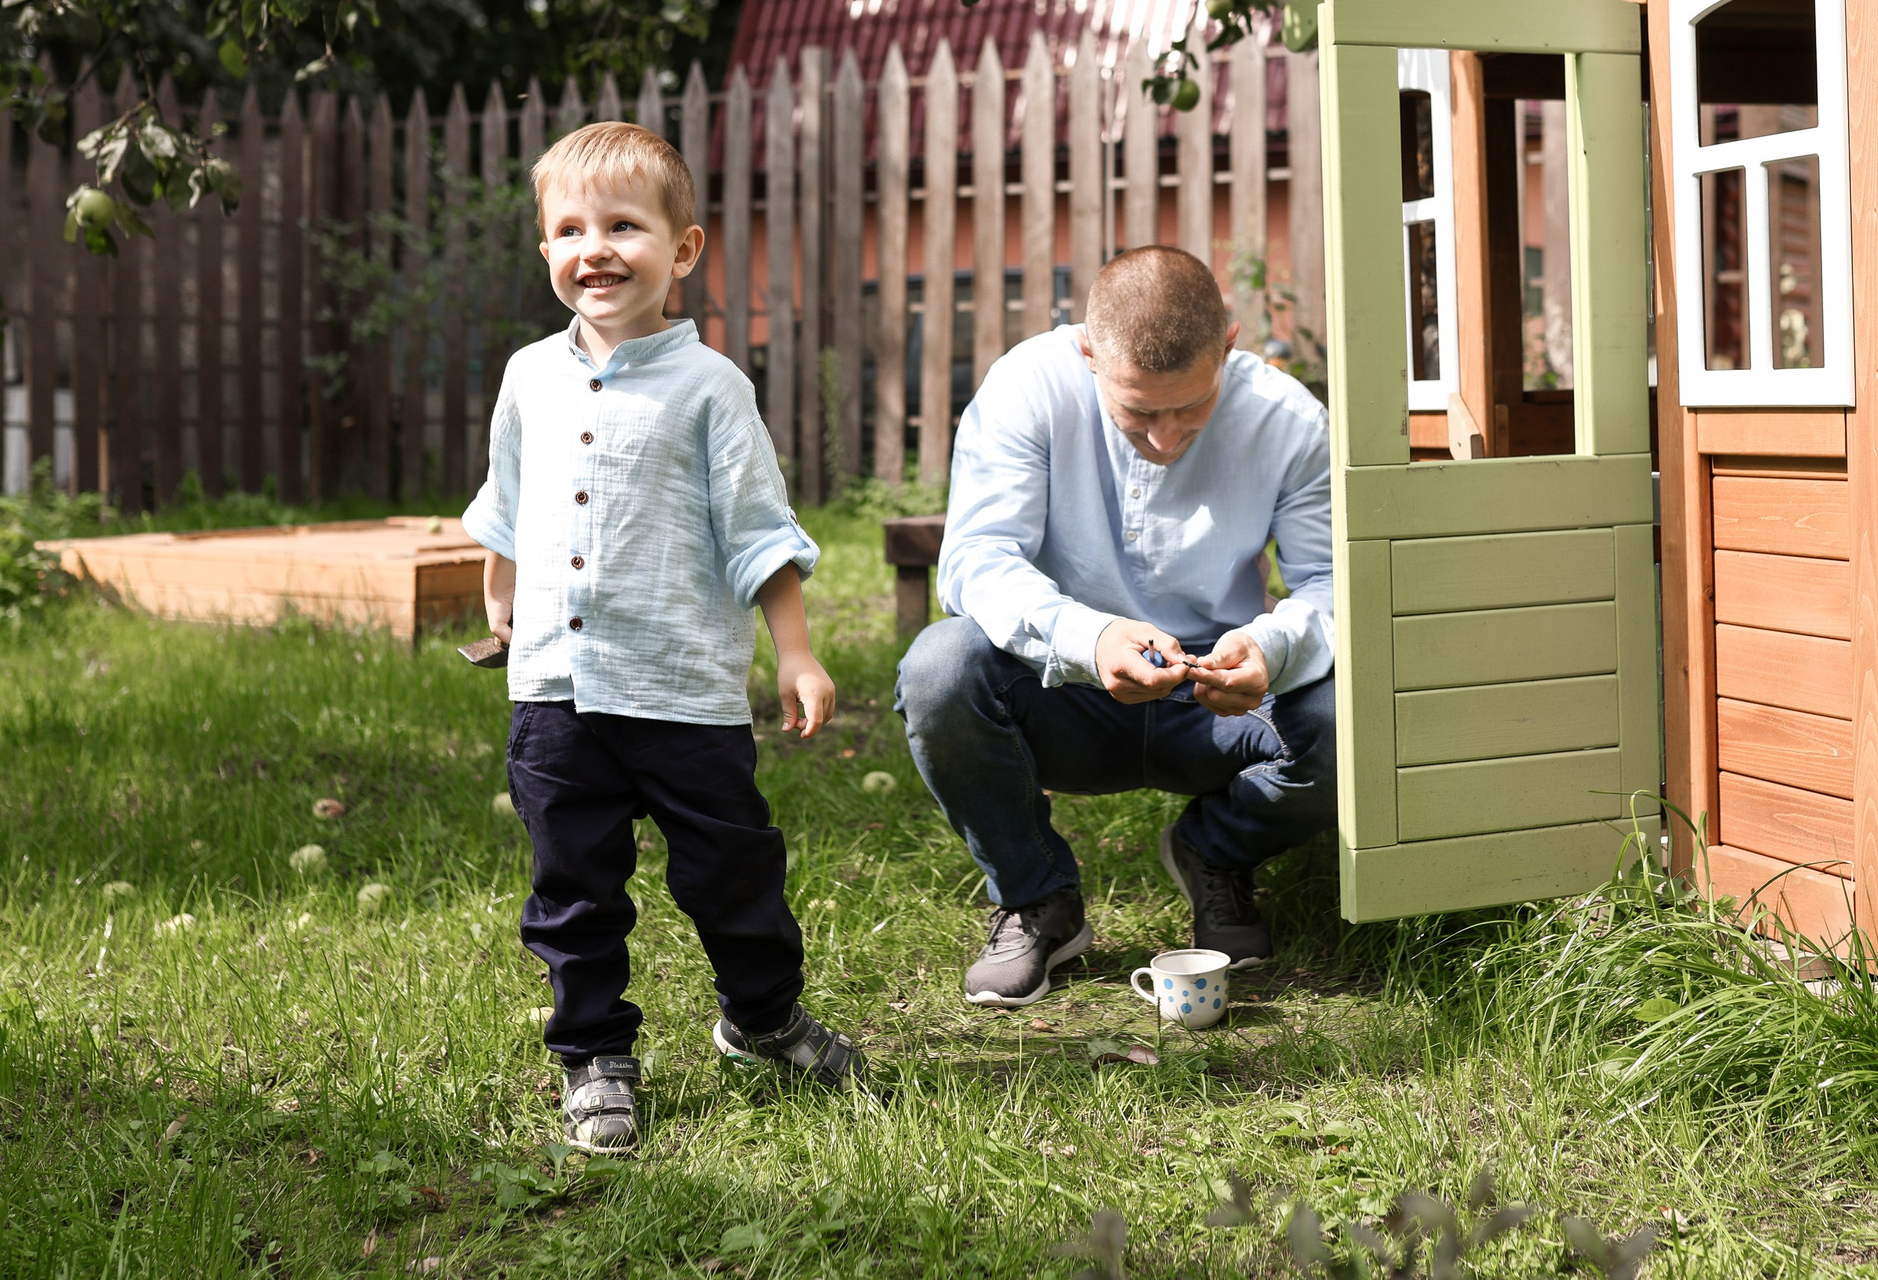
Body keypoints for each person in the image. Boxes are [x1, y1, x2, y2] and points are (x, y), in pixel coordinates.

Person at [465, 121, 863, 1155]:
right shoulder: (527, 378)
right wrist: (498, 589)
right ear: (545, 250)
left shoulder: (711, 389)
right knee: (573, 886)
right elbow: (506, 499)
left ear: (682, 250)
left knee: (734, 871)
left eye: (623, 226)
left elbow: (758, 531)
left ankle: (762, 1017)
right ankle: (594, 1054)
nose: (594, 248)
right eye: (569, 229)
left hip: (682, 692)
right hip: (555, 692)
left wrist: (796, 649)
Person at [896, 245, 1334, 1007]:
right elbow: (975, 562)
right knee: (939, 668)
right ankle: (1038, 897)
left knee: (1351, 713)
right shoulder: (1025, 389)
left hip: (1220, 699)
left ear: (1228, 345)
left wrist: (1271, 645)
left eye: (1190, 407)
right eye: (1137, 410)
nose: (1165, 438)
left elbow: (1333, 584)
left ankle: (1215, 851)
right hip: (1064, 688)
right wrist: (1088, 639)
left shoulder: (1290, 421)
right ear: (1087, 351)